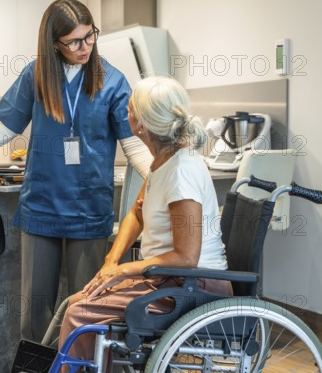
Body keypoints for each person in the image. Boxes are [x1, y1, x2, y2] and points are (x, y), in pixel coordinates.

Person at [0, 0, 152, 342]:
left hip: (88, 207)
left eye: (90, 37)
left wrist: (163, 174)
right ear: (53, 42)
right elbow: (7, 126)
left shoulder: (113, 81)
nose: (85, 47)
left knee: (88, 305)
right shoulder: (36, 75)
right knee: (35, 309)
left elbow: (133, 145)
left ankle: (80, 365)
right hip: (42, 203)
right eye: (74, 41)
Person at [58, 76, 233, 369]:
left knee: (80, 314)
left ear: (141, 125)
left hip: (192, 285)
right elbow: (137, 212)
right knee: (78, 300)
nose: (125, 112)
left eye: (129, 108)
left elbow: (186, 257)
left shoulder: (182, 171)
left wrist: (124, 269)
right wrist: (110, 263)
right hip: (168, 278)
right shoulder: (162, 161)